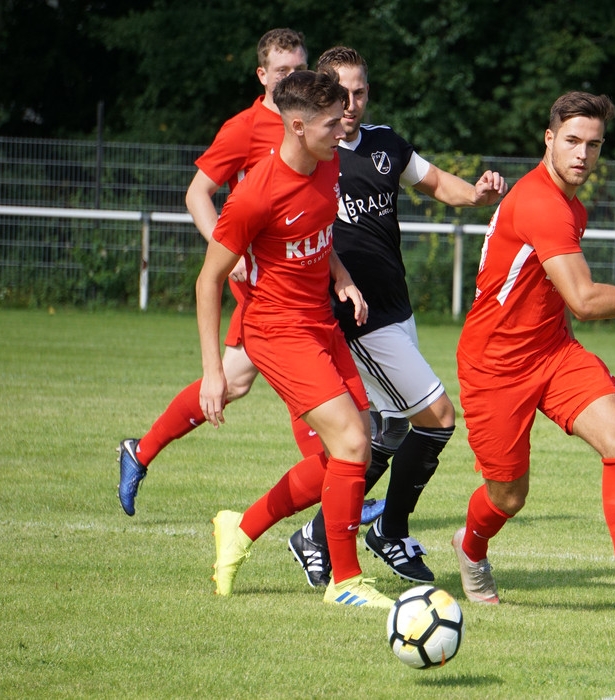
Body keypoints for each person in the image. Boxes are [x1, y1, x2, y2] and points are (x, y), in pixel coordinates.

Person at [451, 91, 615, 626]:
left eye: (593, 144)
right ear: (548, 139)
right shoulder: (541, 202)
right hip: (494, 366)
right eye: (571, 141)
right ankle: (470, 548)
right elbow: (585, 302)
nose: (582, 154)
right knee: (509, 495)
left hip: (551, 350)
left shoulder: (573, 206)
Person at [114, 31, 384, 526]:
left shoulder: (321, 133)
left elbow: (316, 223)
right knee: (282, 385)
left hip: (299, 283)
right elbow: (199, 192)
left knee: (238, 384)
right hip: (265, 290)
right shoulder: (245, 129)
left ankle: (142, 450)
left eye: (300, 68)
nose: (293, 78)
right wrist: (225, 246)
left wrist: (340, 274)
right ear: (263, 76)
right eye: (282, 71)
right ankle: (335, 484)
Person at [287, 46, 507, 588]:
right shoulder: (311, 157)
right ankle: (389, 530)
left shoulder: (385, 145)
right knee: (436, 417)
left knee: (385, 430)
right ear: (322, 95)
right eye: (341, 94)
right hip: (359, 319)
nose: (352, 104)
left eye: (360, 92)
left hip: (397, 308)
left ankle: (316, 534)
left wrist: (477, 195)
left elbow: (435, 183)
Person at [198, 69, 392, 608]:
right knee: (353, 443)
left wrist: (342, 276)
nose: (343, 128)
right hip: (277, 331)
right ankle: (346, 582)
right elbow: (208, 279)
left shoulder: (327, 161)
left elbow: (315, 232)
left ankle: (242, 528)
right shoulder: (255, 194)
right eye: (333, 122)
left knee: (352, 449)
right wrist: (214, 372)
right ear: (300, 125)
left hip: (320, 323)